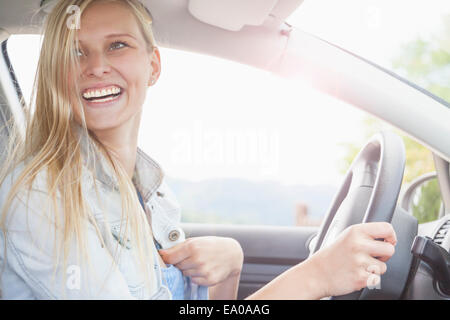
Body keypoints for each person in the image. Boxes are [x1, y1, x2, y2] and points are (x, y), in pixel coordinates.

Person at [0, 0, 397, 300]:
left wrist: (230, 270)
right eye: (75, 51)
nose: (96, 66)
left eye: (117, 45)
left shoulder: (150, 192)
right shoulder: (43, 194)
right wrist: (316, 277)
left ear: (153, 66)